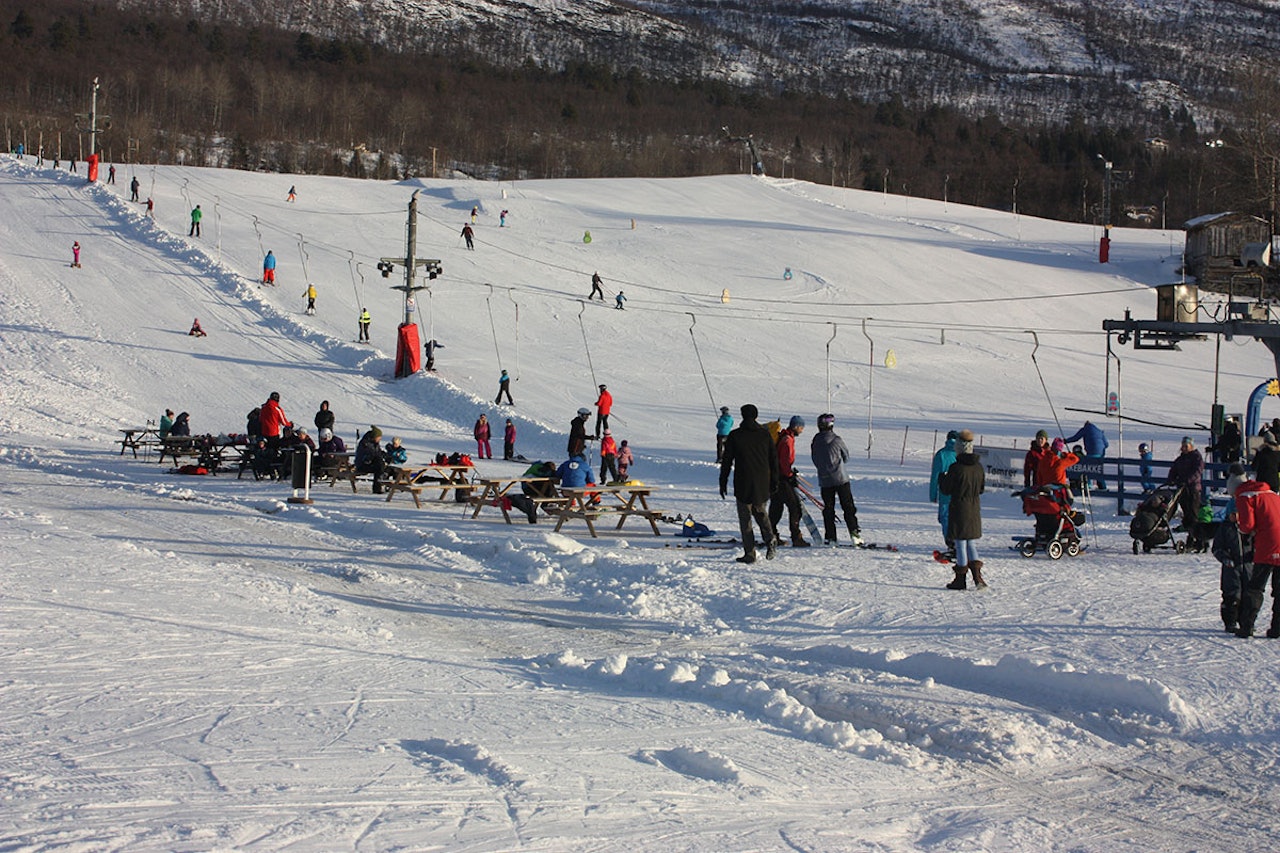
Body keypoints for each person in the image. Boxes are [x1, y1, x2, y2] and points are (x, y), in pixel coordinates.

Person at [719, 404, 779, 564]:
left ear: (742, 415)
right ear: (756, 416)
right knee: (760, 511)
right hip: (761, 483)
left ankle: (750, 553)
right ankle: (770, 538)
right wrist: (774, 481)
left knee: (745, 519)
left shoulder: (735, 435)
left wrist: (722, 481)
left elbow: (727, 461)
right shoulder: (765, 435)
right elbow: (773, 460)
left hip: (743, 482)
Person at [939, 429, 986, 590]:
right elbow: (981, 489)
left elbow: (946, 489)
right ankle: (978, 578)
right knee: (971, 543)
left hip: (959, 508)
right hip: (974, 509)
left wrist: (941, 478)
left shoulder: (956, 468)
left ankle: (961, 579)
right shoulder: (979, 467)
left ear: (959, 448)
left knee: (960, 544)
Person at [1234, 476, 1280, 638]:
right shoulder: (1272, 493)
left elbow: (1247, 525)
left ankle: (1247, 626)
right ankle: (1277, 628)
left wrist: (1240, 526)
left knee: (1255, 588)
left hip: (1267, 545)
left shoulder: (1245, 496)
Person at [809, 413, 863, 545]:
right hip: (840, 478)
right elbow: (846, 457)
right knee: (848, 507)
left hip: (825, 480)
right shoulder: (837, 439)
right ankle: (854, 534)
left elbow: (815, 459)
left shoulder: (815, 441)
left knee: (828, 509)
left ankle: (831, 537)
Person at [1212, 466, 1251, 633]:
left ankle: (1246, 622)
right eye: (1232, 514)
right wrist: (1224, 557)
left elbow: (1255, 544)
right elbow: (1217, 547)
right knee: (1231, 596)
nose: (1235, 516)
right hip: (1231, 569)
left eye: (1237, 513)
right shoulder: (1225, 528)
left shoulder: (1248, 528)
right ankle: (1229, 622)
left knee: (1247, 596)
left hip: (1248, 567)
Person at [769, 415, 810, 547]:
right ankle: (796, 537)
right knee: (795, 507)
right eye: (801, 428)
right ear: (796, 427)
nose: (802, 430)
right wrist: (789, 475)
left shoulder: (784, 437)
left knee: (776, 508)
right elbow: (784, 462)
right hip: (782, 479)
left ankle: (771, 535)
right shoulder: (787, 440)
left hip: (775, 478)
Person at [1167, 436, 1205, 537]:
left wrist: (1187, 480)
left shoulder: (1196, 457)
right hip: (1182, 489)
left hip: (1193, 489)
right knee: (1186, 514)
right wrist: (1171, 479)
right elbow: (1174, 469)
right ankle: (1190, 534)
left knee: (1193, 514)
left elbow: (1197, 471)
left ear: (1191, 446)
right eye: (1183, 446)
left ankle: (1195, 538)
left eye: (1186, 446)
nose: (1183, 448)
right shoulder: (1181, 459)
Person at [930, 429, 959, 556]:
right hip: (959, 493)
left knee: (945, 518)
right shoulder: (961, 454)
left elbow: (935, 476)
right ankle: (959, 544)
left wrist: (933, 494)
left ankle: (950, 543)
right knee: (958, 519)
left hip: (944, 493)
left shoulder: (941, 454)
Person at [1064, 420, 1109, 489]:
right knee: (1098, 470)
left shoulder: (1085, 429)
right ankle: (1103, 487)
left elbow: (1076, 437)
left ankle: (1088, 485)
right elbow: (1106, 444)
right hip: (1100, 454)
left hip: (1091, 453)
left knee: (1087, 468)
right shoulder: (1099, 431)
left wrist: (1066, 441)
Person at [355, 426, 388, 494]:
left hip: (370, 463)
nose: (380, 439)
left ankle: (385, 484)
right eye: (379, 437)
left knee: (383, 466)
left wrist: (385, 455)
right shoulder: (366, 443)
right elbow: (371, 454)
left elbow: (378, 452)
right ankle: (377, 489)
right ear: (375, 436)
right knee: (379, 468)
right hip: (363, 464)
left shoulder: (374, 443)